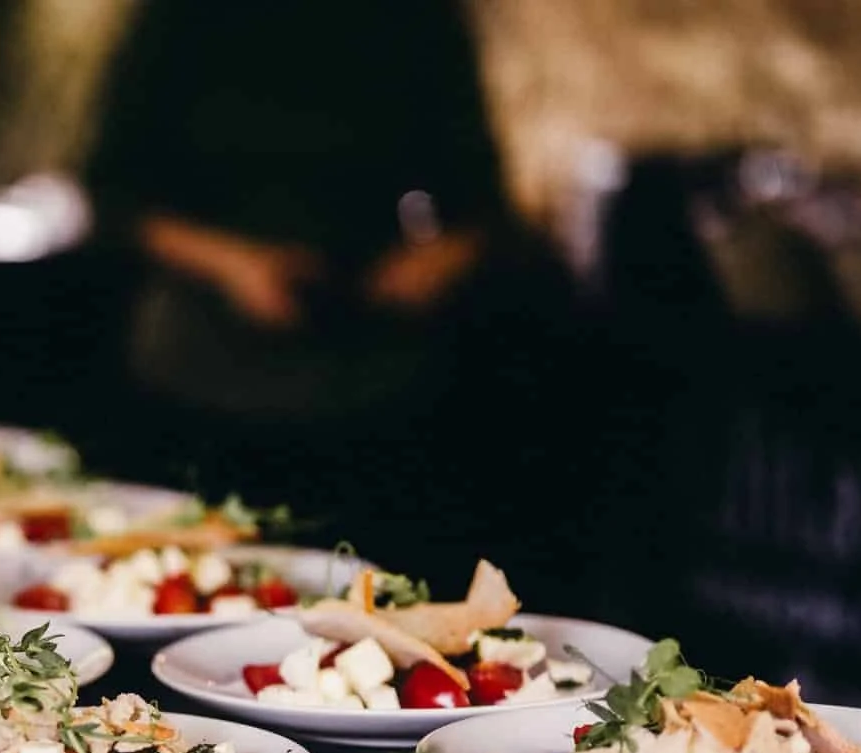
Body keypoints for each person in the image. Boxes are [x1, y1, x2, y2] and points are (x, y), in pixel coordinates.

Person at [86, 0, 561, 580]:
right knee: (198, 576)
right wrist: (234, 265)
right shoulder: (184, 19)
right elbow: (112, 197)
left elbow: (478, 202)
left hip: (369, 365)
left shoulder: (418, 20)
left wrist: (427, 264)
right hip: (200, 359)